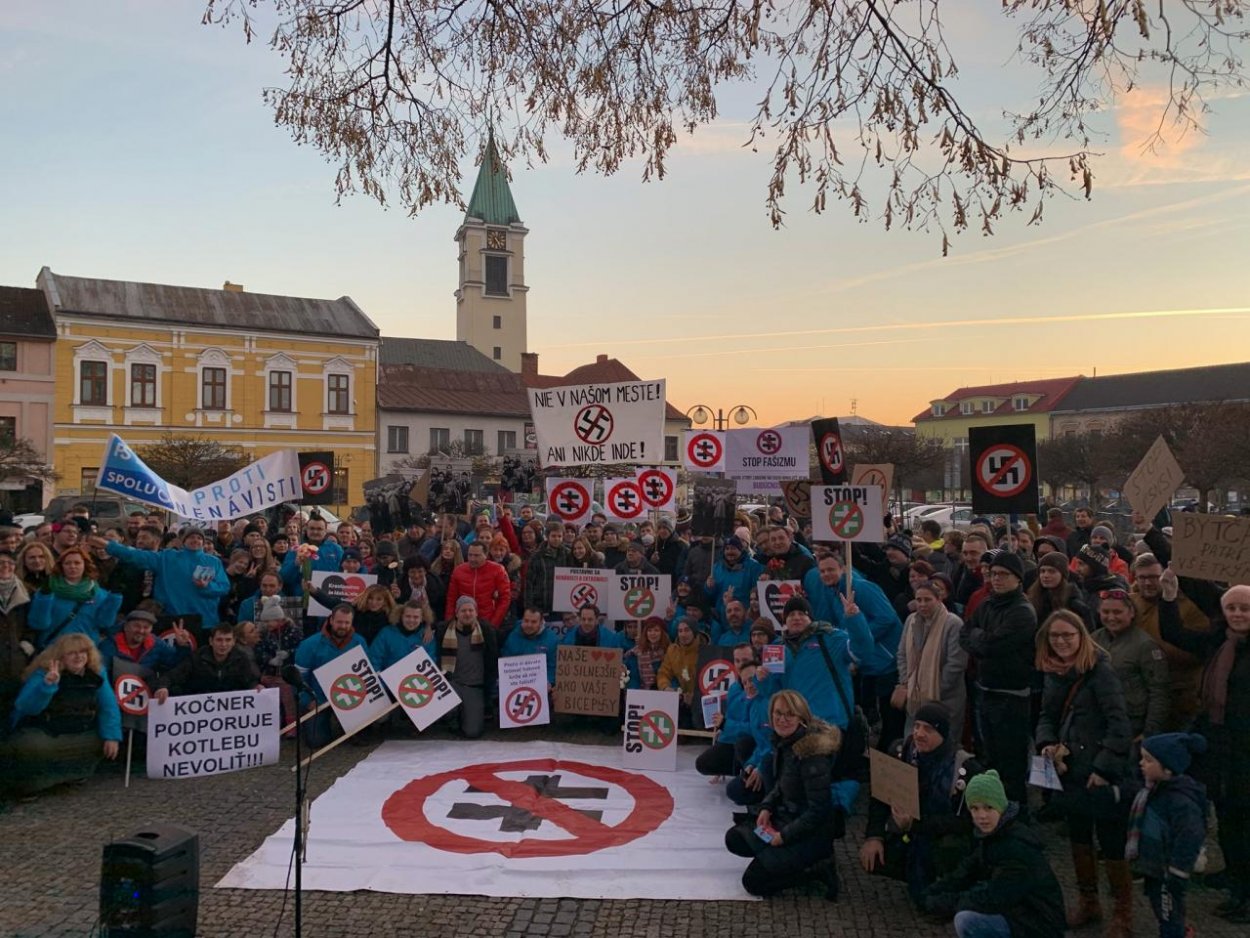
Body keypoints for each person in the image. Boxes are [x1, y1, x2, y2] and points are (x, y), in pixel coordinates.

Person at [1034, 609, 1134, 937]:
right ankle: (1089, 901)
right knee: (1078, 836)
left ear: (1082, 637)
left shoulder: (1099, 672)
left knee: (1111, 841)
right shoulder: (1053, 672)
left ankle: (1123, 913)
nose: (1061, 641)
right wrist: (1047, 742)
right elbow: (1047, 714)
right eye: (1055, 636)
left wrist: (1104, 768)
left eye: (1068, 635)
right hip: (1069, 769)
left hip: (1100, 771)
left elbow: (1119, 723)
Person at [1157, 573, 1250, 923]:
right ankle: (1234, 873)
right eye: (1232, 608)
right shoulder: (1219, 641)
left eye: (1245, 609)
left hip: (1246, 747)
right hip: (1220, 742)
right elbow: (1175, 635)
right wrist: (1168, 599)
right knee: (1226, 816)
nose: (1238, 614)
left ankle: (1245, 893)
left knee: (1244, 819)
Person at [861, 702, 982, 903]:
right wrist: (874, 836)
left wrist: (916, 824)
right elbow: (880, 797)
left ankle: (948, 883)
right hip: (911, 833)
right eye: (916, 726)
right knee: (875, 860)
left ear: (943, 733)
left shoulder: (966, 768)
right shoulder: (902, 752)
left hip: (944, 838)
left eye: (928, 729)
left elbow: (965, 822)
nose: (919, 734)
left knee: (950, 849)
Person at [724, 689, 840, 899]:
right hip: (787, 817)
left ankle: (815, 871)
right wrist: (766, 807)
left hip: (810, 832)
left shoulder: (812, 754)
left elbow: (819, 811)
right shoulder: (785, 742)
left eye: (789, 714)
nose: (782, 719)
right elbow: (781, 784)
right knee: (734, 839)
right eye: (778, 713)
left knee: (753, 883)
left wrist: (784, 837)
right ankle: (775, 859)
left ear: (801, 718)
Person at [922, 769, 1065, 938]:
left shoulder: (1015, 847)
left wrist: (946, 902)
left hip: (1039, 925)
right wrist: (932, 892)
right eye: (975, 808)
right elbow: (966, 871)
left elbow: (995, 897)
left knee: (967, 920)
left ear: (1000, 806)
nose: (982, 816)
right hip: (1022, 914)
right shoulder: (995, 835)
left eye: (988, 808)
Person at [959, 549, 1037, 808]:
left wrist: (979, 638)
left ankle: (1016, 812)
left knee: (1011, 764)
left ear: (1018, 579)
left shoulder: (1022, 611)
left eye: (1003, 574)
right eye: (993, 574)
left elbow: (991, 645)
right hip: (986, 690)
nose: (997, 579)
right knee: (989, 758)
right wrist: (980, 638)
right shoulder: (987, 604)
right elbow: (965, 634)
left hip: (1011, 697)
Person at [0, 633, 122, 797]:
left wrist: (112, 736)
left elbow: (109, 706)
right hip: (45, 732)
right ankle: (29, 785)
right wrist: (48, 686)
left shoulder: (96, 674)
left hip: (81, 731)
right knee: (31, 746)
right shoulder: (43, 673)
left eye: (83, 652)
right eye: (72, 653)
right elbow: (25, 707)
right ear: (61, 657)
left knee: (102, 740)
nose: (78, 657)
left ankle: (75, 775)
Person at [1127, 733, 1208, 938]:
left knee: (1168, 914)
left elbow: (1190, 836)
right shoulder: (1153, 790)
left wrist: (1178, 872)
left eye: (1148, 760)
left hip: (1168, 872)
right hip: (1156, 868)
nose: (1141, 763)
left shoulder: (1180, 802)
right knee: (1164, 911)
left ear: (1168, 768)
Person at [762, 594, 873, 733]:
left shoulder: (831, 638)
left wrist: (855, 619)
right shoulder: (776, 648)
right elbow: (772, 692)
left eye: (802, 613)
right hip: (795, 725)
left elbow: (863, 652)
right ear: (785, 621)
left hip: (830, 724)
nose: (796, 617)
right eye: (791, 614)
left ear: (811, 618)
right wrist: (762, 679)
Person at [1129, 553, 1210, 731]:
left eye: (1153, 577)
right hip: (1141, 694)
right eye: (1142, 578)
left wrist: (1153, 652)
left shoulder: (1191, 606)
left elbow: (1199, 653)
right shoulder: (1131, 603)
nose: (1148, 583)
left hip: (1180, 694)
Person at [97, 528, 230, 631]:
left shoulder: (213, 562)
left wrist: (207, 587)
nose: (195, 540)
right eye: (191, 537)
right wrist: (109, 546)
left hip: (205, 621)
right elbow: (135, 555)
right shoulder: (167, 557)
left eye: (199, 538)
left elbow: (224, 587)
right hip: (172, 618)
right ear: (183, 541)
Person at [1091, 588, 1170, 740]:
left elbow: (1159, 691)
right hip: (1098, 718)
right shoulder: (1094, 639)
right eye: (1106, 612)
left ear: (1131, 613)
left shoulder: (1145, 645)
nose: (1111, 617)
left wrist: (1150, 731)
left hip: (1131, 723)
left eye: (1117, 612)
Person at [893, 581, 967, 737]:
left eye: (927, 600)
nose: (922, 604)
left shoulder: (953, 623)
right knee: (912, 742)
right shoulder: (911, 620)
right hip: (914, 697)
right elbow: (901, 654)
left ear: (938, 600)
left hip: (945, 699)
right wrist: (907, 682)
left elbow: (955, 664)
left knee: (942, 743)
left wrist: (936, 690)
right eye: (919, 600)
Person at [293, 603, 369, 747]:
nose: (343, 626)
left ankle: (347, 725)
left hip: (348, 695)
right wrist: (307, 699)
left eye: (347, 622)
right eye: (339, 622)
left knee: (362, 736)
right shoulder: (309, 645)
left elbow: (366, 673)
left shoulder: (359, 642)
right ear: (331, 620)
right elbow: (298, 678)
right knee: (316, 742)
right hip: (319, 698)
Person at [429, 596, 499, 739]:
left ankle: (465, 714)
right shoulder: (443, 629)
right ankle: (452, 718)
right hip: (451, 683)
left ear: (476, 612)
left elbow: (494, 657)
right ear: (456, 613)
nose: (467, 614)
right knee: (447, 710)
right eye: (463, 610)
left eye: (470, 610)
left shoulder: (486, 630)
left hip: (475, 686)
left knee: (472, 732)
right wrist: (427, 628)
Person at [28, 547, 122, 650]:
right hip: (55, 649)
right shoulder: (49, 590)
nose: (72, 566)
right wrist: (44, 597)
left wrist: (114, 598)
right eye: (67, 563)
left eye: (77, 563)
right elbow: (38, 624)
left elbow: (104, 623)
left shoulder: (98, 594)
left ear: (85, 565)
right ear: (61, 566)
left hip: (85, 651)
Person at [154, 623, 261, 701]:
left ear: (233, 642)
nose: (223, 644)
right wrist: (162, 687)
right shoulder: (197, 657)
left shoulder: (241, 658)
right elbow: (172, 676)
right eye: (219, 640)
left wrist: (256, 687)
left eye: (228, 640)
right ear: (211, 641)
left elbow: (250, 680)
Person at [98, 609, 192, 674]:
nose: (141, 631)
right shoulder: (108, 646)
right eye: (137, 626)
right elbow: (101, 672)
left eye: (146, 627)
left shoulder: (156, 644)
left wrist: (182, 646)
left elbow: (174, 662)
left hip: (145, 691)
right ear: (126, 627)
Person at [444, 542, 512, 630]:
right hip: (463, 621)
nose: (472, 559)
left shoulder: (498, 570)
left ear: (485, 555)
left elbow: (505, 599)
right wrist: (449, 622)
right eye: (470, 555)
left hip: (487, 620)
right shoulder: (458, 571)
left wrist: (493, 624)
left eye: (476, 556)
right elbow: (451, 599)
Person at [656, 618, 705, 725]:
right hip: (681, 697)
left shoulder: (707, 649)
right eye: (680, 631)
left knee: (698, 723)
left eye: (687, 630)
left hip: (702, 700)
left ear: (695, 632)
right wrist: (665, 687)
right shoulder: (672, 650)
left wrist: (695, 696)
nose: (683, 634)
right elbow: (663, 673)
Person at [1026, 551, 1093, 628]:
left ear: (1062, 575)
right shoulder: (1034, 598)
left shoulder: (1074, 603)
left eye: (1052, 571)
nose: (1045, 575)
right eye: (1042, 571)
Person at [500, 606, 560, 684]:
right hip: (516, 683)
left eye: (534, 622)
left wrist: (549, 681)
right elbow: (505, 661)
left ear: (541, 622)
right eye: (526, 621)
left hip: (540, 685)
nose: (529, 625)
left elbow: (553, 666)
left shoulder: (552, 640)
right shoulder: (513, 635)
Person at [524, 522, 573, 615]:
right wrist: (528, 607)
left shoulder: (568, 554)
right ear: (547, 536)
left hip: (562, 606)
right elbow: (529, 583)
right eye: (553, 536)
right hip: (541, 606)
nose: (557, 539)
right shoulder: (536, 556)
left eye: (559, 536)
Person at [624, 617, 669, 691]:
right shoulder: (637, 651)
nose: (653, 633)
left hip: (663, 692)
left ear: (662, 633)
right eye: (649, 630)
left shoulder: (669, 651)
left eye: (656, 630)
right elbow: (632, 676)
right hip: (642, 692)